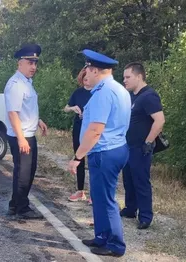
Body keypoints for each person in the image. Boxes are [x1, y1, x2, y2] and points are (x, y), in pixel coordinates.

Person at [68, 49, 131, 257]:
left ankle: (115, 245)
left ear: (94, 70)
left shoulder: (104, 93)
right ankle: (101, 236)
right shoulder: (119, 89)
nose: (85, 75)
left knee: (106, 198)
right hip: (115, 148)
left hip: (105, 151)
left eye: (87, 70)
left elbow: (95, 130)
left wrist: (78, 157)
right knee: (98, 195)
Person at [4, 43, 48, 219]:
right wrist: (21, 139)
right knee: (24, 174)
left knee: (25, 171)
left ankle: (15, 205)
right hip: (21, 136)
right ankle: (22, 208)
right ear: (19, 63)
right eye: (30, 62)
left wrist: (38, 121)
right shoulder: (16, 84)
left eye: (35, 63)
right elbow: (13, 113)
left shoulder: (26, 83)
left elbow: (25, 108)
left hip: (26, 134)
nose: (33, 67)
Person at [120, 62, 165, 230]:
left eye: (127, 77)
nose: (124, 80)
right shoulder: (132, 96)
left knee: (141, 181)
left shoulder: (149, 96)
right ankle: (130, 209)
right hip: (128, 146)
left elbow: (160, 120)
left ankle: (145, 216)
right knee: (128, 179)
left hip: (141, 147)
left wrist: (148, 142)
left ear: (139, 76)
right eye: (124, 77)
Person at [63, 67, 92, 203]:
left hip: (92, 129)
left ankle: (94, 193)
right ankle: (80, 190)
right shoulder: (78, 93)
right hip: (78, 128)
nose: (86, 81)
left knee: (93, 160)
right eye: (84, 79)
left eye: (88, 78)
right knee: (78, 157)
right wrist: (72, 108)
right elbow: (66, 107)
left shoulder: (98, 93)